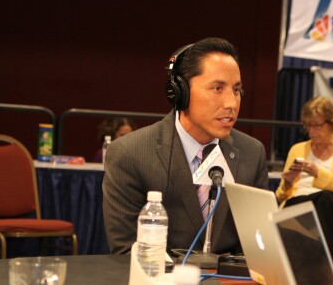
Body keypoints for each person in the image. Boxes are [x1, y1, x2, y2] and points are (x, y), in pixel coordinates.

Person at [103, 37, 268, 255]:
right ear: (180, 92)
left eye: (236, 90)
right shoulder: (130, 153)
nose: (231, 103)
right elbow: (126, 252)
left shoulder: (252, 153)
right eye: (218, 88)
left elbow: (257, 250)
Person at [276, 96, 333, 264]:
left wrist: (319, 174)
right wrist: (288, 183)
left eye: (317, 125)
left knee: (326, 199)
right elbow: (281, 196)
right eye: (308, 125)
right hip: (297, 206)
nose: (312, 131)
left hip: (331, 208)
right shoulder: (297, 149)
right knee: (317, 201)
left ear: (331, 123)